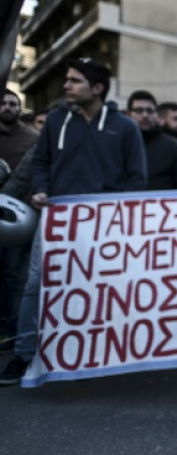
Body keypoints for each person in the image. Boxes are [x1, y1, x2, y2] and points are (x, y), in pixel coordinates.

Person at [0, 57, 147, 385]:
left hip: (105, 226)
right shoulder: (55, 120)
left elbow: (137, 179)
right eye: (67, 80)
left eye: (74, 81)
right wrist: (39, 190)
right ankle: (24, 356)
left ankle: (104, 354)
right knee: (36, 286)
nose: (66, 86)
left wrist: (115, 215)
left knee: (104, 288)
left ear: (96, 88)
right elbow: (41, 163)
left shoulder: (124, 127)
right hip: (56, 221)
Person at [0, 89, 38, 352]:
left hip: (16, 219)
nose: (8, 107)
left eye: (13, 103)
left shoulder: (33, 139)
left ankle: (10, 330)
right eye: (3, 103)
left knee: (14, 276)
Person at [126, 90, 177, 191]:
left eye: (150, 111)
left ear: (156, 115)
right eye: (139, 111)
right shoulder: (118, 146)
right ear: (128, 114)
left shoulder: (175, 148)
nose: (145, 115)